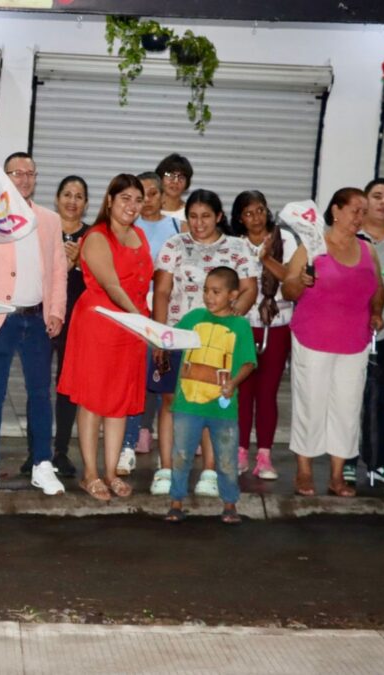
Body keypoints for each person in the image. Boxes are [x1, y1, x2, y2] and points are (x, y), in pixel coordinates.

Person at [0, 152, 67, 497]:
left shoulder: (49, 220)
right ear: (4, 177)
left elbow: (58, 272)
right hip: (0, 317)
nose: (24, 179)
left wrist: (56, 311)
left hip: (37, 318)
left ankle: (42, 463)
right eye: (16, 173)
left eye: (30, 173)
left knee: (40, 394)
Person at [152, 190, 257, 498]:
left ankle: (210, 471)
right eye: (193, 216)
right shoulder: (174, 245)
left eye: (206, 216)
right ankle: (166, 469)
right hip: (179, 336)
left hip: (219, 342)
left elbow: (249, 288)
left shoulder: (237, 248)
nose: (198, 223)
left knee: (211, 402)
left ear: (219, 217)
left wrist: (230, 321)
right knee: (171, 401)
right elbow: (161, 291)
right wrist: (161, 336)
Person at [283, 187, 384, 498]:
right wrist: (300, 282)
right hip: (313, 338)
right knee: (311, 404)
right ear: (336, 211)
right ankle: (304, 471)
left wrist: (377, 312)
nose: (360, 217)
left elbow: (377, 289)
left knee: (347, 408)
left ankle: (338, 476)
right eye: (355, 209)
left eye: (363, 211)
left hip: (354, 342)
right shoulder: (312, 246)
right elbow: (288, 289)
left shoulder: (369, 250)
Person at [57, 174, 151, 501]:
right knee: (93, 400)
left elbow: (142, 282)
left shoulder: (140, 235)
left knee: (119, 402)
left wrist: (144, 322)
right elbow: (112, 286)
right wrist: (140, 320)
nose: (132, 206)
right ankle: (91, 474)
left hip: (132, 328)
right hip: (101, 324)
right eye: (125, 198)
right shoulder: (96, 237)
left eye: (138, 200)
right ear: (110, 200)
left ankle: (111, 473)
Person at [164, 267, 257, 524]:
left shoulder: (240, 326)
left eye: (216, 292)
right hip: (187, 403)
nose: (208, 297)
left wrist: (234, 383)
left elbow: (248, 362)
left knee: (226, 458)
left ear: (233, 295)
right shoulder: (193, 317)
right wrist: (154, 337)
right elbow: (171, 339)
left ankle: (229, 504)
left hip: (222, 407)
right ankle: (175, 502)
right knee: (181, 454)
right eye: (206, 290)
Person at [346, 178, 384, 485]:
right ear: (366, 201)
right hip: (348, 333)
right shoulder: (347, 236)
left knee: (381, 400)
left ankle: (378, 460)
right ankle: (345, 459)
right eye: (377, 196)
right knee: (348, 398)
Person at [231, 190, 296, 481]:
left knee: (267, 393)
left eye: (260, 210)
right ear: (240, 218)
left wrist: (267, 258)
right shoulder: (234, 244)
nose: (255, 217)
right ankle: (241, 451)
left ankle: (265, 456)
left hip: (278, 321)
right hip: (244, 322)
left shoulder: (286, 240)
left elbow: (292, 278)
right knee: (244, 391)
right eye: (248, 213)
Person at [130, 172, 184, 458]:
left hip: (165, 308)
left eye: (153, 193)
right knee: (136, 370)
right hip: (133, 307)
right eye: (142, 194)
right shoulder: (126, 225)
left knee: (160, 366)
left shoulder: (177, 226)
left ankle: (160, 430)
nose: (148, 200)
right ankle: (139, 428)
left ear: (163, 196)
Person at [50, 175, 92, 478]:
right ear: (56, 198)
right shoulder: (44, 229)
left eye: (79, 196)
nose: (72, 201)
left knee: (67, 387)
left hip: (77, 322)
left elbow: (101, 280)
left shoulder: (92, 237)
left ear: (86, 204)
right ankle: (36, 452)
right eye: (67, 194)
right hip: (44, 317)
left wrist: (80, 263)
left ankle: (60, 451)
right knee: (38, 386)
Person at [156, 153, 194, 227]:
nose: (176, 181)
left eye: (181, 177)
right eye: (170, 175)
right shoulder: (148, 209)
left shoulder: (190, 213)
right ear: (160, 178)